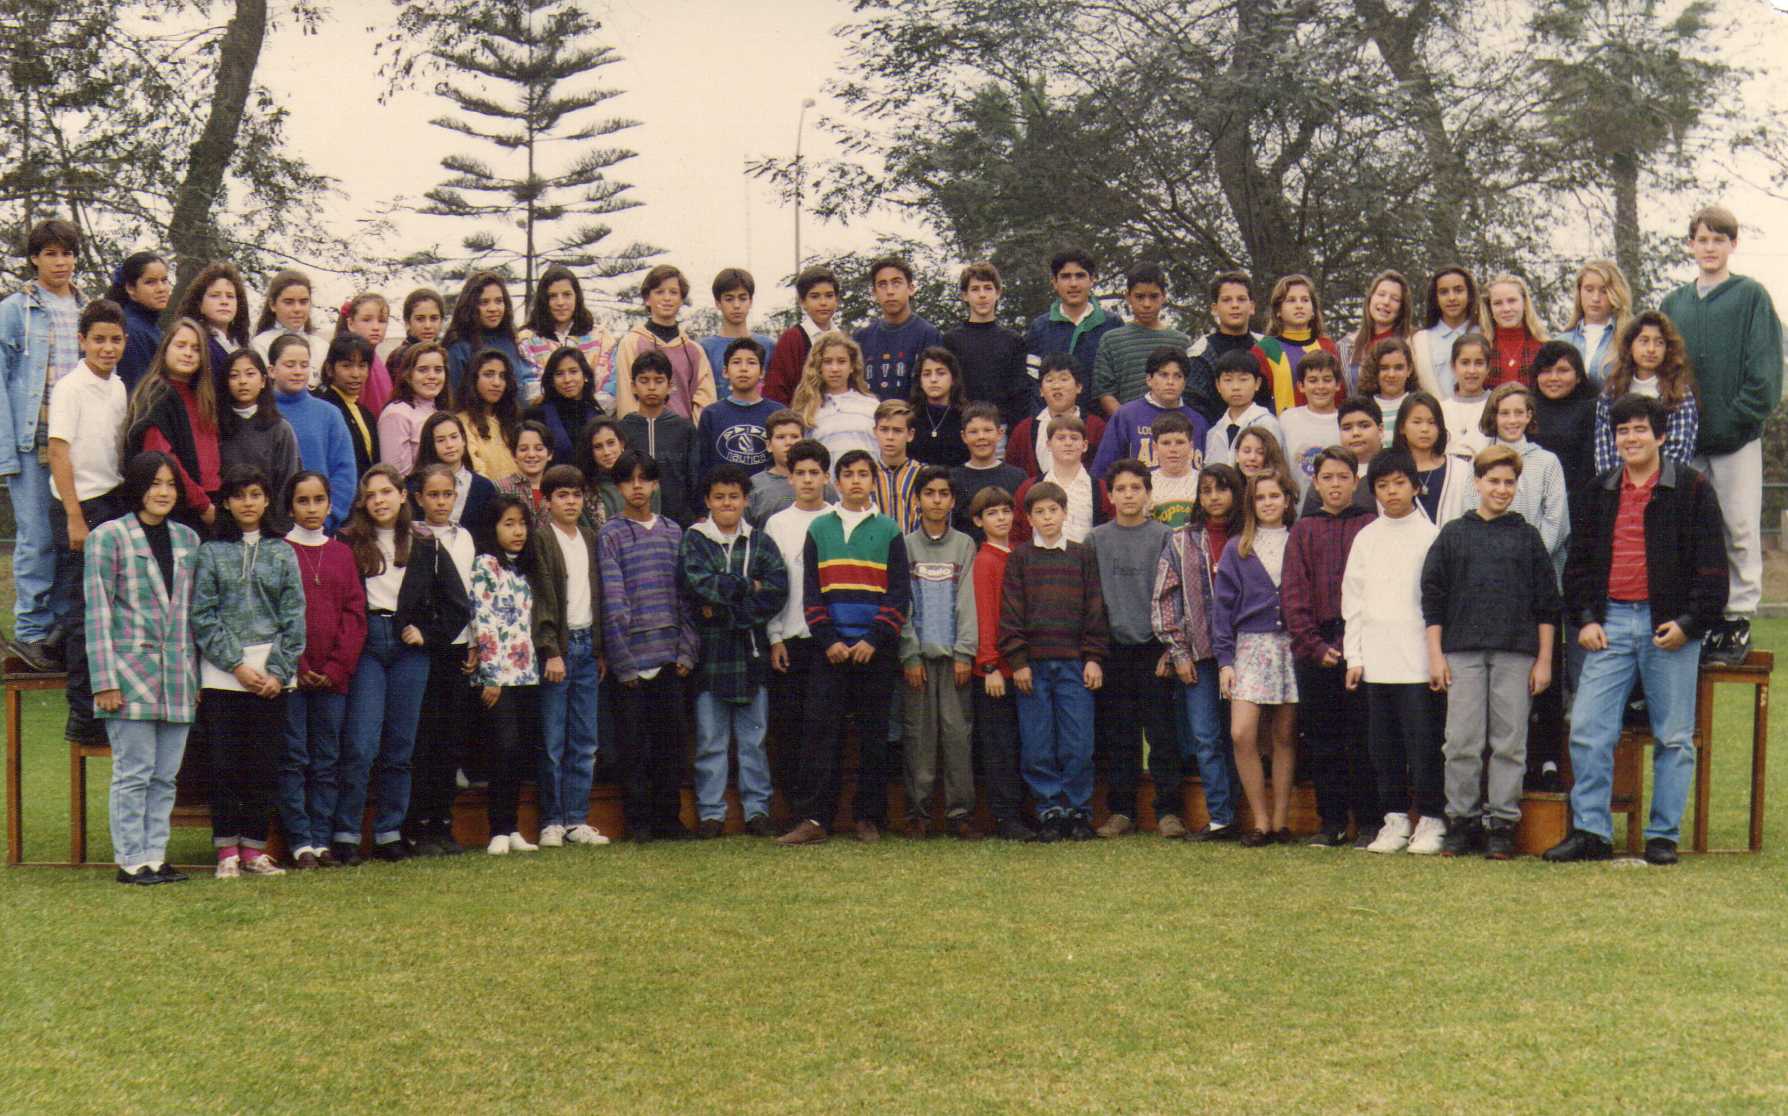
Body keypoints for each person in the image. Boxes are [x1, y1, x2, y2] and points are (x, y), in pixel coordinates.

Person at [1544, 395, 1727, 866]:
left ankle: (1662, 836)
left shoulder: (1692, 489)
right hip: (1610, 625)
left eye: (1640, 429)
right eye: (1622, 430)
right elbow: (1578, 567)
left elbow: (1712, 572)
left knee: (1673, 737)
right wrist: (1585, 619)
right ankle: (1592, 833)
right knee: (1587, 729)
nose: (1630, 438)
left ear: (1661, 435)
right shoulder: (1599, 490)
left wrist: (1688, 624)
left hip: (1669, 629)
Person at [1422, 444, 1560, 859]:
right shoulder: (1453, 535)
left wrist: (1545, 659)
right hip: (1462, 651)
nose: (1501, 489)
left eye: (1509, 482)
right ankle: (1461, 821)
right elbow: (1432, 597)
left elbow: (1547, 604)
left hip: (1516, 652)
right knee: (1461, 740)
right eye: (1493, 481)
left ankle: (1502, 822)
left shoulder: (1527, 537)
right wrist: (1435, 653)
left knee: (1509, 742)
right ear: (1477, 483)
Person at [1658, 205, 1782, 665]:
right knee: (1688, 527)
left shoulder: (1749, 295)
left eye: (1719, 240)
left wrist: (1737, 418)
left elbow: (1766, 371)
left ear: (1733, 244)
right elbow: (1663, 367)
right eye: (1702, 239)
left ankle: (1737, 617)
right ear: (1690, 244)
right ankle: (1695, 612)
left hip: (1734, 438)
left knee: (1739, 525)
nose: (1709, 248)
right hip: (1685, 439)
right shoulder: (1675, 303)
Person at [335, 465, 470, 866]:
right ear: (363, 501)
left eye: (386, 492)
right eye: (371, 494)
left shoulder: (424, 543)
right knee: (361, 744)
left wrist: (426, 633)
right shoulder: (347, 541)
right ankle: (345, 833)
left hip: (408, 649)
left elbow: (457, 605)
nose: (379, 500)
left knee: (400, 745)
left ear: (402, 496)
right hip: (367, 645)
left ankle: (389, 831)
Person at [776, 449, 911, 845]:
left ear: (873, 481)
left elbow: (899, 594)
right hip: (830, 650)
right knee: (821, 734)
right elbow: (812, 593)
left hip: (875, 649)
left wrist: (873, 638)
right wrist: (830, 640)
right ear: (836, 481)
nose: (855, 481)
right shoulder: (820, 528)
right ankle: (815, 819)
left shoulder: (888, 530)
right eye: (848, 474)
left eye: (863, 474)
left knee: (873, 734)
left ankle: (869, 817)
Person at [86, 451, 201, 885]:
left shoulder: (188, 541)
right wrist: (104, 682)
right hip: (127, 675)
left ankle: (156, 855)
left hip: (178, 677)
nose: (163, 492)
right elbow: (97, 612)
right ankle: (131, 860)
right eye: (155, 483)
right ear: (137, 486)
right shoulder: (109, 538)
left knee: (165, 776)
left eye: (171, 484)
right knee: (133, 773)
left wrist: (194, 676)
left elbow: (192, 614)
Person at [192, 464, 306, 877]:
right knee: (225, 764)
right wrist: (235, 665)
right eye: (239, 495)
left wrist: (277, 670)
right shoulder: (211, 551)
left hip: (273, 676)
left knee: (263, 764)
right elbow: (203, 615)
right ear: (226, 501)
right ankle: (226, 852)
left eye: (256, 494)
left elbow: (294, 617)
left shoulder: (282, 551)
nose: (248, 502)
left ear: (267, 500)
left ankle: (254, 850)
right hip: (225, 673)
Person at [1343, 451, 1445, 855]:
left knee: (1423, 744)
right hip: (1377, 662)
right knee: (1383, 745)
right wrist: (1355, 656)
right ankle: (1396, 819)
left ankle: (1432, 820)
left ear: (1416, 486)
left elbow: (1438, 602)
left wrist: (1438, 656)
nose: (1391, 492)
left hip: (1419, 662)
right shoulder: (1366, 537)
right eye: (1383, 486)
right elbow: (1353, 601)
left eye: (1399, 483)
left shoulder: (1432, 535)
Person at [680, 463, 789, 839]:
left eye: (734, 497)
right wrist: (748, 587)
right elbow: (698, 587)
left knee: (753, 738)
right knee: (710, 739)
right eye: (719, 497)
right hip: (710, 653)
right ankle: (711, 814)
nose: (727, 503)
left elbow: (776, 589)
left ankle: (757, 810)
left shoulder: (760, 541)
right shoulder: (695, 539)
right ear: (708, 501)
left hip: (751, 651)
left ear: (746, 500)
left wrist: (729, 605)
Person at [1000, 480, 1109, 842]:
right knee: (1037, 743)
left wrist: (1093, 657)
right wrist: (1018, 661)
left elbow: (1095, 609)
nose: (1047, 518)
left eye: (1053, 511)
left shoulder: (1081, 555)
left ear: (1065, 513)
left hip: (1074, 665)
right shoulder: (1020, 559)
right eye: (1040, 512)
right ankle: (1049, 811)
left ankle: (1078, 812)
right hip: (1033, 666)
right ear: (1028, 518)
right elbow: (1011, 613)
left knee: (1079, 743)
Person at [1282, 446, 1379, 847]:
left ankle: (1371, 822)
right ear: (1315, 483)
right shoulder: (1304, 530)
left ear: (1355, 482)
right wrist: (1315, 644)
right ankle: (1332, 821)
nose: (1335, 485)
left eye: (1343, 477)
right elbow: (1293, 592)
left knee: (1364, 738)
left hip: (1360, 646)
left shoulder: (1370, 525)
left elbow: (1374, 588)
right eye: (1327, 478)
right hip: (1314, 649)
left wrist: (1345, 644)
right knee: (1323, 739)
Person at [599, 451, 698, 841]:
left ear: (655, 483)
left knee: (670, 744)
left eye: (644, 479)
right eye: (628, 480)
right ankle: (638, 822)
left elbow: (686, 595)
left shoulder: (674, 531)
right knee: (634, 747)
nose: (637, 487)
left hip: (671, 656)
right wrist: (623, 660)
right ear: (619, 486)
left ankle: (668, 819)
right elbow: (612, 597)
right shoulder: (611, 533)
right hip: (632, 660)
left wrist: (686, 650)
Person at [1, 219, 85, 669]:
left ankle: (61, 633)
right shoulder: (16, 309)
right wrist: (5, 453)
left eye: (68, 253)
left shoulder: (89, 309)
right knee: (36, 539)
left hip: (77, 443)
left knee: (73, 537)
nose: (61, 261)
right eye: (51, 253)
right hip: (33, 439)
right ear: (34, 258)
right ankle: (31, 633)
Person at [45, 300, 129, 742]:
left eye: (115, 340)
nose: (107, 347)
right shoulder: (69, 388)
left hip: (112, 499)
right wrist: (75, 518)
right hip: (81, 506)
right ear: (81, 341)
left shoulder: (117, 386)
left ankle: (107, 699)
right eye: (98, 339)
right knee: (84, 608)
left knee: (109, 609)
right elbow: (59, 452)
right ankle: (82, 713)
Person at [279, 472, 366, 871]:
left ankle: (322, 836)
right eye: (303, 501)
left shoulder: (342, 553)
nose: (312, 509)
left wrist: (333, 667)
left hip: (334, 676)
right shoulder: (280, 551)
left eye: (318, 500)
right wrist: (298, 664)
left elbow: (354, 614)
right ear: (290, 506)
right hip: (293, 674)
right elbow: (275, 614)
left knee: (327, 757)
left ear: (330, 504)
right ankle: (299, 842)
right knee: (295, 755)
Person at [1089, 460, 1181, 838]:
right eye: (1121, 489)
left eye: (1136, 488)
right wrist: (1094, 652)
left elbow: (1176, 596)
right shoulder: (1095, 540)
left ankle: (1168, 811)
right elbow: (1090, 600)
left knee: (1161, 734)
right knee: (1119, 734)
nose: (1128, 495)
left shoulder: (1164, 537)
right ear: (1109, 496)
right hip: (1113, 649)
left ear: (1148, 494)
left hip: (1154, 649)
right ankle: (1122, 810)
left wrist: (1171, 649)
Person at [1154, 464, 1244, 841]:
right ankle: (1221, 817)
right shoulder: (1180, 540)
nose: (1214, 497)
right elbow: (1164, 598)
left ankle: (1249, 812)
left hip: (1247, 653)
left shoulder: (1250, 536)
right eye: (1206, 490)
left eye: (1222, 489)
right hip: (1199, 655)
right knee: (1206, 737)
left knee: (1241, 737)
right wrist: (1178, 652)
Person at [1212, 472, 1299, 846]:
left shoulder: (1299, 540)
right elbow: (1223, 607)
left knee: (1283, 734)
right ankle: (1259, 820)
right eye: (1260, 497)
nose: (1267, 502)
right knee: (1242, 732)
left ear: (1287, 500)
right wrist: (1225, 660)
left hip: (1290, 646)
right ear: (1251, 503)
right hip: (1250, 646)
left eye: (1274, 495)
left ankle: (1279, 822)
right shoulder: (1238, 548)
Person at [528, 462, 610, 846]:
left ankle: (577, 818)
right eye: (562, 495)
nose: (571, 501)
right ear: (547, 500)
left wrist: (597, 649)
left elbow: (597, 597)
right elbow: (542, 597)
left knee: (585, 739)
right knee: (553, 740)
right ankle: (552, 820)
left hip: (585, 646)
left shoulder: (590, 538)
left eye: (576, 494)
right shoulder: (542, 539)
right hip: (558, 649)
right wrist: (550, 649)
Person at [401, 462, 480, 856]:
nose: (441, 501)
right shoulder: (412, 536)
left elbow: (471, 595)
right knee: (423, 737)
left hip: (458, 644)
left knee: (450, 738)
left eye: (447, 494)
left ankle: (443, 822)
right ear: (418, 499)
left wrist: (475, 642)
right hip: (423, 645)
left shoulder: (464, 537)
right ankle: (416, 824)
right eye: (433, 495)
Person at [897, 466, 979, 839]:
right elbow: (902, 605)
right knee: (918, 737)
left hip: (953, 659)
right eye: (929, 493)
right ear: (917, 500)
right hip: (919, 660)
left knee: (957, 735)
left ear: (952, 501)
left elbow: (967, 601)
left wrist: (965, 652)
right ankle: (918, 814)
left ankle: (960, 814)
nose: (936, 500)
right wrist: (910, 654)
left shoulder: (964, 544)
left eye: (943, 494)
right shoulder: (904, 544)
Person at [468, 496, 542, 854]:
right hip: (498, 674)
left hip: (527, 672)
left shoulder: (525, 567)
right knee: (503, 747)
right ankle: (497, 828)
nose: (517, 531)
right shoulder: (486, 564)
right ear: (494, 528)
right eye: (508, 524)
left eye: (521, 524)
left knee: (519, 752)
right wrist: (491, 675)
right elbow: (484, 619)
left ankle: (513, 827)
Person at [763, 439, 836, 798]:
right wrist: (774, 636)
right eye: (800, 473)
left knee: (824, 726)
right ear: (789, 478)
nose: (807, 480)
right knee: (790, 726)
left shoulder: (838, 520)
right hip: (790, 638)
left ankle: (821, 808)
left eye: (814, 473)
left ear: (826, 477)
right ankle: (793, 806)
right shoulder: (778, 524)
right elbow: (772, 584)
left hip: (831, 639)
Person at [968, 486, 1029, 840]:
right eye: (992, 513)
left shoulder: (1019, 554)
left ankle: (1022, 811)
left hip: (1022, 665)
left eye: (1006, 511)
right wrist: (989, 664)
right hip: (996, 671)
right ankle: (1005, 816)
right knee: (999, 745)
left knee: (1020, 742)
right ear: (979, 521)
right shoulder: (986, 561)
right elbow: (985, 615)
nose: (1001, 518)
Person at [121, 318, 221, 533]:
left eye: (196, 349)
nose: (188, 353)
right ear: (165, 349)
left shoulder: (201, 396)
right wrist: (203, 506)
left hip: (210, 500)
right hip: (179, 506)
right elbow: (163, 459)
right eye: (181, 345)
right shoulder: (157, 395)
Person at [1466, 384, 1569, 579]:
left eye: (1519, 412)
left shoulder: (1547, 461)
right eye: (1504, 413)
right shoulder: (1480, 460)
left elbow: (1556, 521)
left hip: (1538, 570)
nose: (1512, 420)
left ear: (1529, 416)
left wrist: (1528, 560)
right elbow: (1470, 509)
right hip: (1490, 571)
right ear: (1493, 417)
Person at [1590, 311, 1700, 475]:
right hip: (1619, 486)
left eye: (1659, 342)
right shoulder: (1612, 392)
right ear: (1630, 346)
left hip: (1664, 487)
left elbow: (1680, 450)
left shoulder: (1679, 393)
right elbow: (1604, 446)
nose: (1651, 349)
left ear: (1667, 349)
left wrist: (1652, 486)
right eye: (1644, 341)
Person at [268, 333, 357, 534]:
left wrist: (329, 518)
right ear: (272, 370)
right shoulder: (261, 413)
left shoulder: (329, 413)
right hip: (272, 530)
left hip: (319, 528)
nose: (298, 371)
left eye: (304, 365)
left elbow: (345, 471)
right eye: (290, 365)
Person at [1024, 247, 1121, 415]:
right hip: (1053, 430)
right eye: (1066, 276)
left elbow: (1120, 381)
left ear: (1092, 280)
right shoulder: (1040, 328)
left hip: (1101, 427)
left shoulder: (1112, 325)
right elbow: (1033, 383)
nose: (1073, 283)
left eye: (1080, 275)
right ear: (1054, 282)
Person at [614, 264, 716, 421]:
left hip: (683, 437)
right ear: (647, 299)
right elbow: (626, 396)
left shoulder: (694, 350)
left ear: (682, 299)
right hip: (642, 436)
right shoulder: (631, 343)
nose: (667, 298)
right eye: (659, 292)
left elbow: (704, 398)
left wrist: (693, 435)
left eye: (673, 292)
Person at [1091, 347, 1209, 479]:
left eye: (1178, 376)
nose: (1170, 382)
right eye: (1163, 375)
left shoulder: (1198, 421)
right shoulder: (1127, 416)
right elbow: (1103, 471)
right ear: (1149, 379)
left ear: (1185, 382)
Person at [217, 348, 300, 535]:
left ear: (263, 381)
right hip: (225, 529)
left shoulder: (280, 429)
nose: (243, 381)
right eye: (234, 375)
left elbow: (288, 484)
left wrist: (275, 529)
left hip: (270, 531)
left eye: (250, 374)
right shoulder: (215, 428)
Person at [1092, 263, 1192, 415]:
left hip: (1173, 431)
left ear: (1163, 296)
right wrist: (1129, 423)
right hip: (1127, 431)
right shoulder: (1111, 340)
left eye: (1153, 296)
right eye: (1139, 297)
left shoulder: (1181, 342)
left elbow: (1188, 391)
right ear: (1128, 297)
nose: (1147, 304)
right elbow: (1104, 392)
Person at [943, 261, 1032, 429]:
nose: (982, 295)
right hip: (961, 428)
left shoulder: (1013, 341)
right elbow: (948, 390)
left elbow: (1020, 394)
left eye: (988, 288)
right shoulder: (951, 341)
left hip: (1000, 429)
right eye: (975, 289)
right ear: (964, 295)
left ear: (998, 293)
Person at [619, 349, 702, 526]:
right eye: (644, 381)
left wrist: (698, 515)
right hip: (632, 521)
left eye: (659, 381)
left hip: (678, 521)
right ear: (633, 385)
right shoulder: (623, 429)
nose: (651, 387)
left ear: (670, 385)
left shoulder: (684, 428)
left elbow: (694, 477)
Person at [520, 264, 614, 410]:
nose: (560, 303)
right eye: (552, 296)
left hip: (594, 421)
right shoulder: (527, 340)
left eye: (567, 294)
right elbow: (530, 390)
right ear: (543, 300)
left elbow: (610, 387)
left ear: (577, 297)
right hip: (545, 423)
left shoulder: (601, 338)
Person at [854, 255, 945, 403]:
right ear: (874, 293)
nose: (890, 291)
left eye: (896, 283)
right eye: (882, 285)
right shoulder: (861, 338)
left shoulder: (928, 334)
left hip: (913, 421)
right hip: (870, 421)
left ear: (911, 288)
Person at [1011, 415, 1113, 545]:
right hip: (1040, 563)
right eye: (1061, 438)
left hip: (1087, 563)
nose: (1068, 443)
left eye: (1074, 438)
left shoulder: (1101, 489)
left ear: (1085, 445)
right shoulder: (1029, 488)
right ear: (1048, 444)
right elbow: (1016, 534)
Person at [1003, 353, 1106, 477]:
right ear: (1041, 390)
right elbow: (1012, 474)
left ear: (1079, 387)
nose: (1056, 386)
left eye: (1064, 379)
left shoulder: (1096, 427)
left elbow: (1103, 472)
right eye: (1049, 380)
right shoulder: (1024, 430)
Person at [1250, 273, 1339, 412]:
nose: (1299, 306)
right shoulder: (1266, 349)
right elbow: (1256, 402)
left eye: (1305, 300)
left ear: (1314, 310)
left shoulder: (1327, 346)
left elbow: (1340, 396)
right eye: (1291, 300)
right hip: (1280, 430)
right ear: (1278, 310)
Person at [791, 330, 879, 467]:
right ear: (819, 367)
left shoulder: (871, 406)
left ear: (852, 366)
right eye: (827, 362)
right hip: (826, 487)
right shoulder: (807, 409)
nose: (835, 369)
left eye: (842, 361)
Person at [698, 336, 782, 478]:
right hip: (725, 496)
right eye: (736, 362)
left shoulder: (778, 413)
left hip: (766, 496)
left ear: (762, 372)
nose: (743, 369)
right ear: (725, 371)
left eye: (751, 362)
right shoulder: (711, 414)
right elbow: (703, 466)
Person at [1185, 271, 1261, 424]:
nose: (1234, 305)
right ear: (1214, 308)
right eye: (1226, 300)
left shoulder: (1266, 347)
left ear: (1252, 306)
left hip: (1263, 437)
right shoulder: (1200, 353)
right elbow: (1195, 407)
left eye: (1241, 299)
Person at [444, 271, 528, 402]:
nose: (493, 308)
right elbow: (454, 400)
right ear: (470, 306)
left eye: (499, 301)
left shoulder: (510, 341)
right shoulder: (459, 348)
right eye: (484, 302)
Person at [764, 264, 841, 406]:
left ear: (837, 299)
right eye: (815, 296)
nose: (823, 302)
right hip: (801, 421)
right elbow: (777, 391)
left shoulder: (844, 339)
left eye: (829, 296)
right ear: (803, 302)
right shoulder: (792, 339)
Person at [1391, 391, 1471, 526]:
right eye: (1416, 422)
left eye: (1432, 422)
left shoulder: (1460, 469)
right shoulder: (1391, 471)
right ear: (1402, 427)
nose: (1424, 429)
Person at [409, 411, 498, 532]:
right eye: (440, 440)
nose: (449, 445)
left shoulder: (484, 487)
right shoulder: (413, 486)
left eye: (454, 437)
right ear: (430, 444)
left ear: (464, 440)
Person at [951, 402, 1026, 542]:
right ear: (964, 436)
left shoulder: (1017, 477)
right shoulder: (953, 479)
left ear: (999, 433)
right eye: (973, 432)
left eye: (987, 430)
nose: (981, 437)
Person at [1553, 260, 1632, 387]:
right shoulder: (1560, 343)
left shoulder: (1628, 341)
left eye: (1604, 291)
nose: (1596, 298)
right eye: (1589, 290)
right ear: (1579, 292)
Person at [378, 342, 450, 477]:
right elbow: (397, 476)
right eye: (423, 370)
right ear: (408, 375)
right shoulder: (396, 414)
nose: (432, 376)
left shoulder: (443, 410)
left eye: (438, 369)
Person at [174, 260, 251, 387]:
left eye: (230, 296)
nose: (224, 302)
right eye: (215, 296)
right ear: (200, 305)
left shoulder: (240, 344)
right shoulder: (198, 343)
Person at [1278, 349, 1343, 494]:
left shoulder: (1345, 422)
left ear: (1338, 384)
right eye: (1313, 380)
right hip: (1298, 511)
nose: (1320, 386)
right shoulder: (1287, 420)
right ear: (1301, 386)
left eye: (1327, 380)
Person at [316, 334, 381, 479]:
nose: (356, 374)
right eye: (347, 366)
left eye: (362, 366)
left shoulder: (366, 414)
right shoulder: (324, 411)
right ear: (329, 369)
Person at [1204, 350, 1283, 468]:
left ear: (1257, 383)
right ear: (1218, 386)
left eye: (1243, 379)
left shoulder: (1266, 424)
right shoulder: (1214, 433)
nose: (1236, 387)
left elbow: (1274, 469)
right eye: (1228, 380)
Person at [524, 345, 602, 464]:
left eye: (573, 371)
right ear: (551, 380)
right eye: (559, 374)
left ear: (585, 375)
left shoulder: (597, 416)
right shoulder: (537, 415)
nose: (567, 379)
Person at [1339, 270, 1414, 392]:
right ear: (1370, 298)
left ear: (1402, 308)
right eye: (1381, 294)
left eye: (1395, 299)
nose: (1386, 302)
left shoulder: (1412, 343)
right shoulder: (1346, 346)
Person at [106, 251, 170, 391]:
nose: (161, 288)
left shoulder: (150, 327)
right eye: (150, 282)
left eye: (164, 280)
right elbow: (137, 391)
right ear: (131, 288)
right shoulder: (132, 330)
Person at [250, 269, 330, 382]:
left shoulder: (321, 347)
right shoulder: (260, 345)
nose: (297, 309)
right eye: (288, 302)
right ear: (272, 304)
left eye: (303, 302)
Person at [699, 267, 776, 381]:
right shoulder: (705, 348)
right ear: (718, 303)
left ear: (750, 301)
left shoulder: (768, 346)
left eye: (742, 298)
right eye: (729, 299)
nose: (736, 305)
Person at [455, 348, 521, 481]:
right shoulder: (461, 423)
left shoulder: (513, 421)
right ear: (473, 379)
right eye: (488, 374)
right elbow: (476, 470)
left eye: (502, 376)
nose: (497, 383)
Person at [1412, 266, 1478, 398]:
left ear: (1469, 294)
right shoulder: (1421, 340)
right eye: (1444, 292)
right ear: (1435, 298)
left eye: (1458, 290)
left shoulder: (1484, 333)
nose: (1452, 298)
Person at [1479, 273, 1547, 388]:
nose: (1506, 309)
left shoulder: (1543, 346)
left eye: (1512, 301)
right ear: (1490, 308)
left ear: (1524, 303)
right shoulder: (1481, 347)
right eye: (1497, 303)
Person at [907, 346, 970, 467]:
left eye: (941, 373)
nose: (933, 379)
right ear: (920, 380)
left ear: (953, 379)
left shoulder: (965, 417)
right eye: (926, 374)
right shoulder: (910, 417)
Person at [336, 292, 396, 415]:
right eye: (367, 320)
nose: (376, 327)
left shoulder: (376, 359)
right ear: (351, 324)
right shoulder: (349, 363)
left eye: (382, 321)